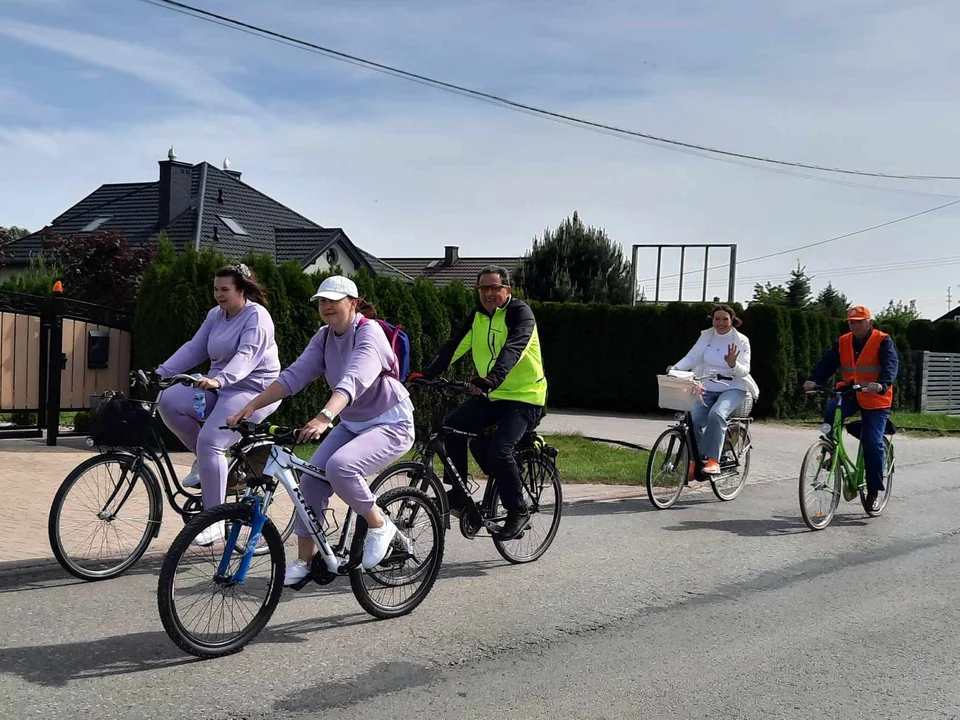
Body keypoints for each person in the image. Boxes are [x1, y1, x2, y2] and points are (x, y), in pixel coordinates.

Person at [228, 275, 414, 584]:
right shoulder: (325, 336)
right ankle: (306, 559)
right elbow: (294, 376)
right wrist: (252, 405)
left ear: (353, 304)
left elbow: (355, 377)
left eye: (333, 300)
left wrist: (325, 416)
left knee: (342, 467)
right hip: (353, 423)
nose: (326, 306)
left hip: (391, 422)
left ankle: (380, 525)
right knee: (312, 480)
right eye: (322, 301)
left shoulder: (370, 333)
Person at [413, 265, 547, 541]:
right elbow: (454, 345)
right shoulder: (477, 317)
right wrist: (427, 375)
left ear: (507, 290)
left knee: (500, 449)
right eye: (483, 288)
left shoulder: (519, 313)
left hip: (526, 399)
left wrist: (491, 378)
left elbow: (515, 348)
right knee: (451, 428)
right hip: (494, 396)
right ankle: (460, 495)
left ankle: (517, 511)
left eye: (494, 288)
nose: (487, 293)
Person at [156, 263, 282, 545]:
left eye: (225, 289)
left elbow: (247, 355)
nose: (218, 295)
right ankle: (206, 463)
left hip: (254, 390)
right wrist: (161, 372)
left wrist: (221, 380)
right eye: (215, 289)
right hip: (218, 383)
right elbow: (195, 347)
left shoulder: (257, 317)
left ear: (242, 290)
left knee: (212, 440)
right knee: (169, 401)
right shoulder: (216, 314)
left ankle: (214, 519)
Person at [803, 305, 899, 510]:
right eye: (851, 322)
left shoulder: (882, 340)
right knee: (831, 412)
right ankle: (831, 451)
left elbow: (891, 364)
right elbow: (827, 363)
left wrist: (882, 384)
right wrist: (813, 380)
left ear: (869, 322)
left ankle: (873, 490)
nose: (854, 325)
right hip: (851, 391)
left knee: (872, 443)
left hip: (875, 396)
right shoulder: (843, 341)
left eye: (859, 321)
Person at [669, 304, 759, 476]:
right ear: (712, 320)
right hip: (707, 387)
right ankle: (696, 459)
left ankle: (713, 460)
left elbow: (745, 370)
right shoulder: (706, 337)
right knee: (694, 419)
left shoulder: (741, 340)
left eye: (725, 319)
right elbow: (691, 357)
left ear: (732, 320)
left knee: (716, 414)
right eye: (717, 319)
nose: (721, 323)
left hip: (734, 387)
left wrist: (733, 364)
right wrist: (675, 369)